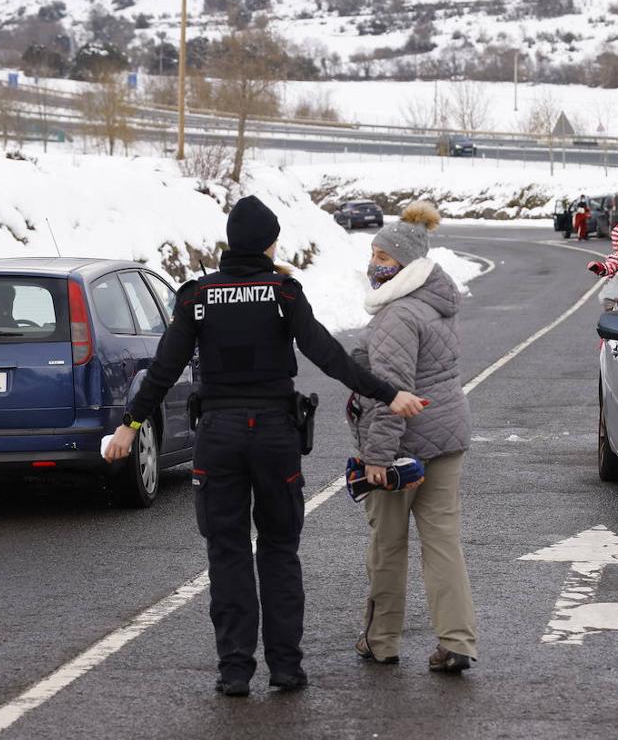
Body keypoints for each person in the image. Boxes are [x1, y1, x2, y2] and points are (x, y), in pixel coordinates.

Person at [104, 195, 427, 698]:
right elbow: (325, 353)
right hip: (275, 436)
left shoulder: (197, 297)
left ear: (230, 243)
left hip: (218, 438)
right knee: (279, 551)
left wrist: (131, 424)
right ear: (271, 243)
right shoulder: (283, 292)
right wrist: (390, 393)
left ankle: (235, 670)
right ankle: (286, 668)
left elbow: (164, 367)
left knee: (228, 552)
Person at [347, 201, 478, 674]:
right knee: (443, 542)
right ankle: (457, 639)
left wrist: (377, 455)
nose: (374, 265)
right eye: (373, 255)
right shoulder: (436, 301)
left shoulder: (397, 315)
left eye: (382, 257)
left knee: (388, 544)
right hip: (447, 436)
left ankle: (381, 640)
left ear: (403, 263)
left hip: (402, 447)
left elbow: (391, 392)